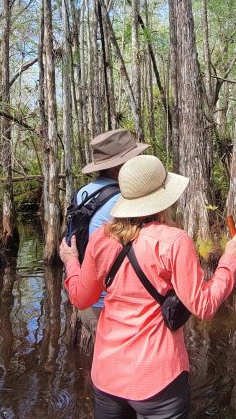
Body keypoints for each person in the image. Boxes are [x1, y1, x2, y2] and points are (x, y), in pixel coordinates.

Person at [60, 155, 236, 418]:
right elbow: (203, 306)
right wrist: (230, 260)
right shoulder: (174, 241)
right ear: (162, 197)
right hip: (159, 381)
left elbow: (80, 298)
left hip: (107, 376)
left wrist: (71, 261)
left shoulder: (101, 237)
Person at [74, 129, 150, 333]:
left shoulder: (83, 192)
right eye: (132, 159)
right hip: (112, 307)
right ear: (119, 166)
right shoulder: (122, 201)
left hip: (88, 297)